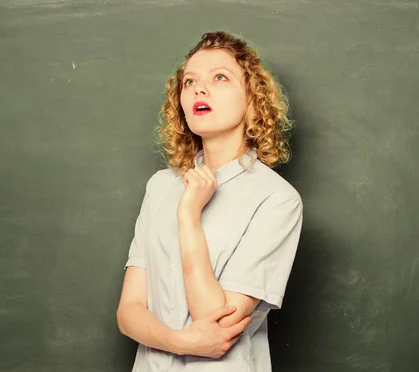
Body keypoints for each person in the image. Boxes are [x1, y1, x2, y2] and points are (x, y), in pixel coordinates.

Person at [116, 31, 303, 371]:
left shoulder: (277, 200)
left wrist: (189, 216)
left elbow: (215, 322)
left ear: (252, 98)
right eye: (189, 82)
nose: (199, 89)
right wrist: (179, 341)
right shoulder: (160, 187)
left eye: (220, 77)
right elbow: (128, 312)